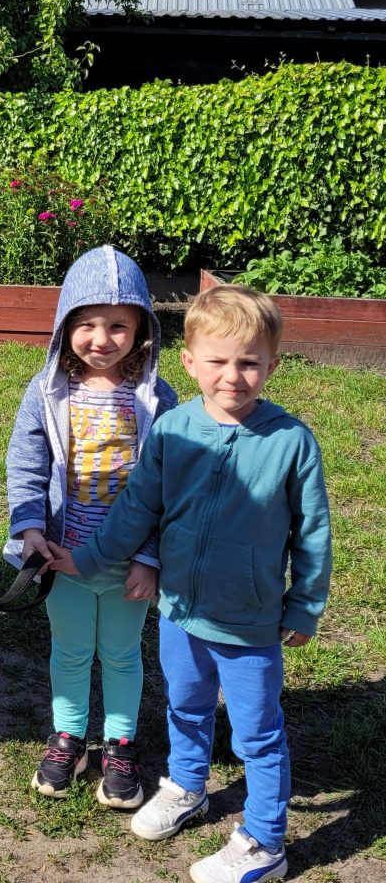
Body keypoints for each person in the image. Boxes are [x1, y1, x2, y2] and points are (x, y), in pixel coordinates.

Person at [48, 284, 332, 883]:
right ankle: (187, 786)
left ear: (273, 365)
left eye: (249, 362)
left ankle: (265, 842)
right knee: (185, 706)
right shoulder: (172, 429)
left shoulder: (292, 442)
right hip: (178, 612)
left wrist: (304, 606)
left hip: (250, 623)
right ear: (188, 361)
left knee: (258, 736)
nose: (233, 376)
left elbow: (312, 533)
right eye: (218, 360)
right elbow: (136, 509)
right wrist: (88, 559)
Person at [4, 245, 177, 808]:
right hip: (62, 557)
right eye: (87, 325)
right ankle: (69, 738)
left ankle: (119, 744)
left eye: (118, 326)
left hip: (128, 564)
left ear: (142, 329)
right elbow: (26, 464)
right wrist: (30, 529)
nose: (101, 339)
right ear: (64, 326)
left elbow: (169, 486)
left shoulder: (157, 398)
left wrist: (150, 557)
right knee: (71, 650)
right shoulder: (46, 392)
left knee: (123, 653)